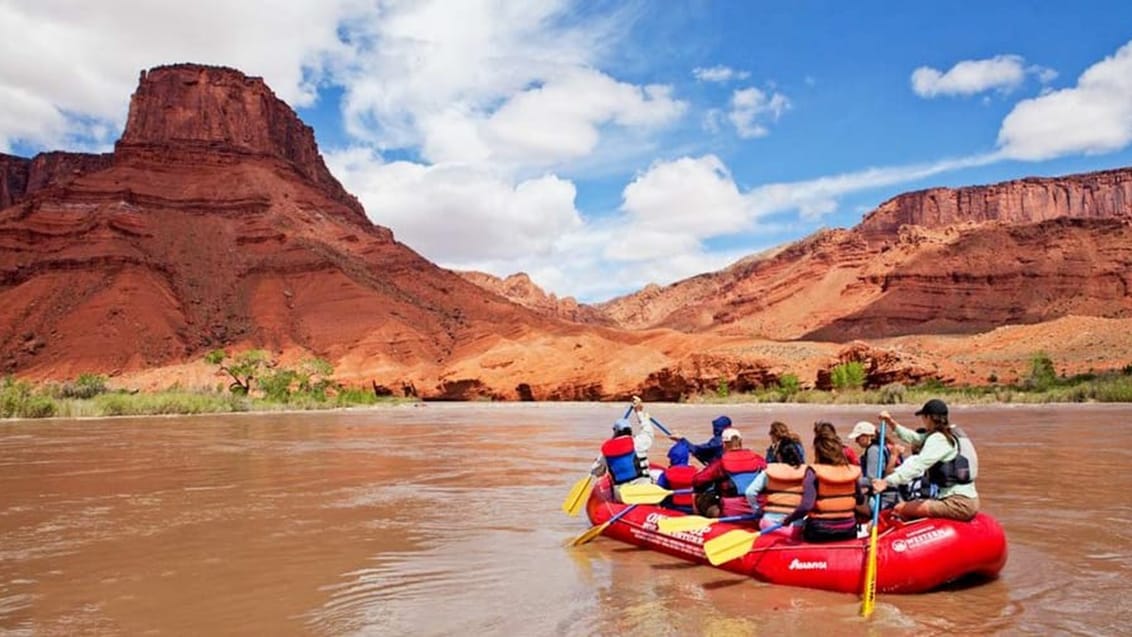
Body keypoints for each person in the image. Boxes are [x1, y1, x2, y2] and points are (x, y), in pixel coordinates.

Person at [871, 399, 979, 522]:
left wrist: (886, 482)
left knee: (899, 508)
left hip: (957, 503)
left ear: (929, 417)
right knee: (912, 506)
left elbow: (918, 465)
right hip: (967, 500)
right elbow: (914, 438)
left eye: (923, 417)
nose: (923, 420)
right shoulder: (946, 434)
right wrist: (891, 423)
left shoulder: (939, 439)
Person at [782, 432, 863, 542]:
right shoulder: (850, 471)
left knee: (803, 529)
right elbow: (860, 500)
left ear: (818, 452)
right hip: (849, 530)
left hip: (820, 530)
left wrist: (788, 520)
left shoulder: (813, 472)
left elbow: (806, 506)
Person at [691, 428, 766, 518]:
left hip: (731, 509)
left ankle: (705, 522)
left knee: (699, 497)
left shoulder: (720, 463)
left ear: (724, 444)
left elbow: (697, 480)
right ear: (741, 442)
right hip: (758, 505)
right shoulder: (757, 459)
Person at [590, 402, 656, 500]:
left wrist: (598, 462)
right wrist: (640, 413)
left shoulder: (605, 449)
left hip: (623, 495)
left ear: (615, 432)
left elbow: (597, 472)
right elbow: (648, 430)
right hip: (644, 490)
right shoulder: (639, 441)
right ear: (630, 431)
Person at [744, 435, 806, 535]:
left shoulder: (768, 471)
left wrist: (757, 510)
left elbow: (750, 492)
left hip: (768, 525)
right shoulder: (807, 473)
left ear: (779, 456)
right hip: (795, 528)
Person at [849, 420, 901, 518]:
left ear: (868, 436)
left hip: (882, 500)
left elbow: (871, 479)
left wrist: (852, 482)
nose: (856, 441)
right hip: (890, 496)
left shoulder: (873, 450)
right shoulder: (883, 447)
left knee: (848, 502)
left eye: (858, 438)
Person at [656, 439, 696, 513]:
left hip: (673, 507)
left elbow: (659, 490)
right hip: (692, 507)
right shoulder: (696, 472)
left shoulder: (666, 474)